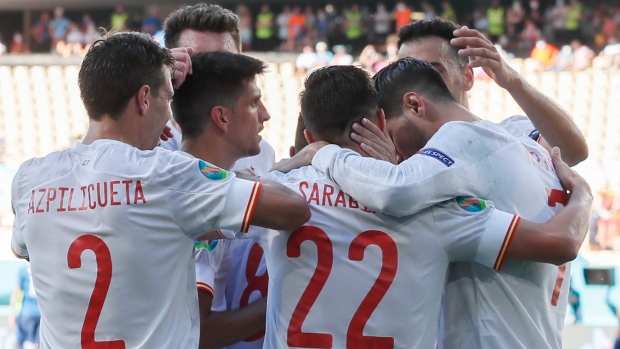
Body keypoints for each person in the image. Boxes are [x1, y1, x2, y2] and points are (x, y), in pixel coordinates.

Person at [247, 64, 592, 348]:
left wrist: (302, 162)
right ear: (381, 120)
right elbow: (558, 241)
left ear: (309, 138)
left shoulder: (278, 192)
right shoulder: (439, 211)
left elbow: (203, 225)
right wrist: (583, 194)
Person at [10, 32, 310, 349]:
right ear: (144, 98)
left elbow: (23, 248)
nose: (169, 115)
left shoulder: (30, 179)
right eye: (167, 98)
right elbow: (293, 208)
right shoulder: (167, 174)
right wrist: (248, 178)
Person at [162, 4, 277, 348]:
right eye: (199, 62)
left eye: (225, 62)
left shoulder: (260, 152)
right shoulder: (150, 158)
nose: (214, 72)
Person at [394, 18, 587, 166]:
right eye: (408, 74)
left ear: (468, 77)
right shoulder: (395, 159)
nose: (419, 83)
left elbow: (573, 153)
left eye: (434, 71)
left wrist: (512, 81)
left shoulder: (514, 135)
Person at [9, 265, 40, 349]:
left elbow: (16, 293)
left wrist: (12, 313)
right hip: (41, 313)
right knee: (38, 344)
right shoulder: (43, 269)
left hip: (27, 313)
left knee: (20, 342)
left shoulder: (23, 271)